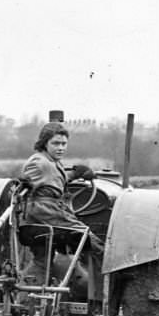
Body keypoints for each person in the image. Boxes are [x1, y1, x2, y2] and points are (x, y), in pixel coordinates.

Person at [17, 121, 102, 286]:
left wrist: (76, 174)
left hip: (45, 213)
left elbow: (52, 178)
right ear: (44, 143)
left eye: (64, 144)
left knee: (42, 261)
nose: (60, 147)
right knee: (94, 243)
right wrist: (25, 182)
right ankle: (102, 291)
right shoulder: (38, 162)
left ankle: (27, 298)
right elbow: (29, 180)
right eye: (55, 143)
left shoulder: (51, 162)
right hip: (46, 212)